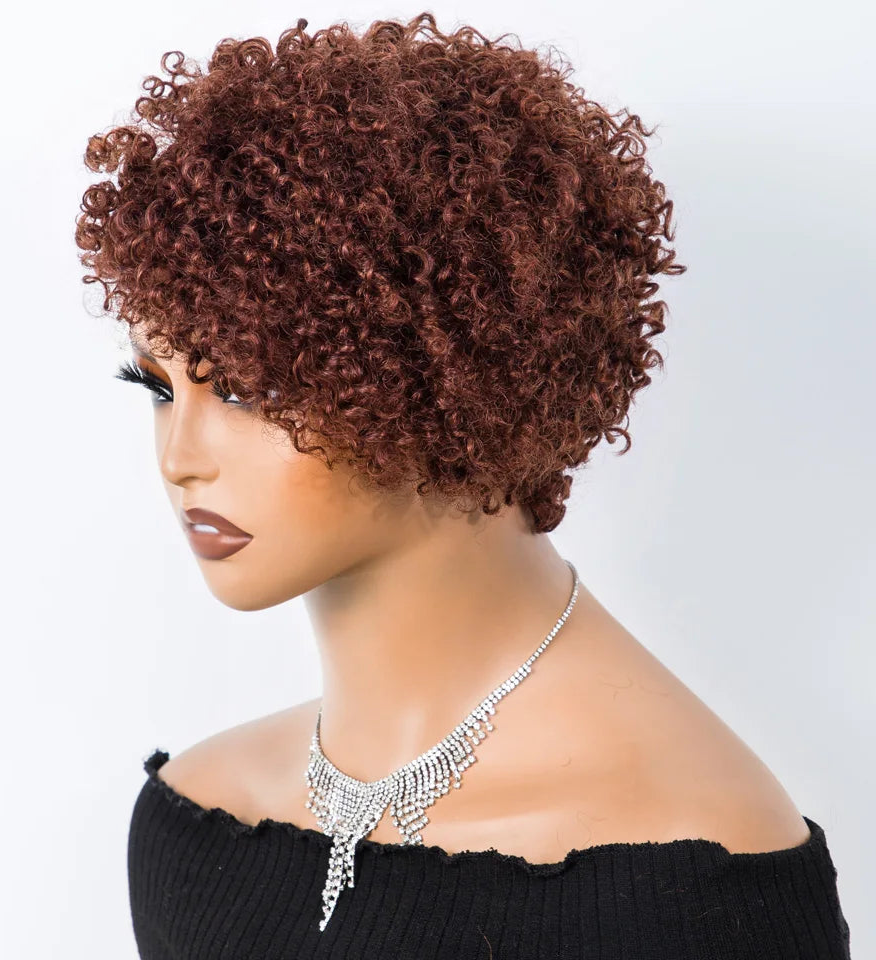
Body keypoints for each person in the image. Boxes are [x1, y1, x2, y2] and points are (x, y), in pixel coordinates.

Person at [74, 12, 852, 958]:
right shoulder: (195, 829)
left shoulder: (694, 878)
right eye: (157, 387)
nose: (179, 457)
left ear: (441, 371)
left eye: (247, 388)